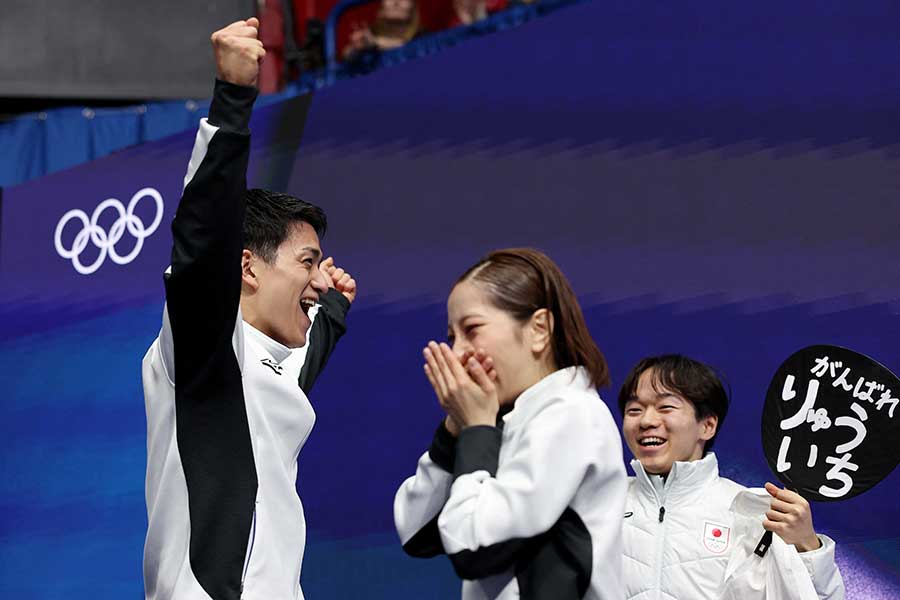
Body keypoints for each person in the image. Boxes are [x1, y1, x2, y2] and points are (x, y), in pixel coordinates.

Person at [141, 19, 356, 600]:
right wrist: (232, 99)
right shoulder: (207, 347)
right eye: (306, 262)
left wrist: (331, 306)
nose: (316, 279)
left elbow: (298, 367)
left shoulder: (267, 369)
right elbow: (203, 237)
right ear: (247, 267)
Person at [394, 248, 627, 599]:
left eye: (472, 329)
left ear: (539, 330)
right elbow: (417, 533)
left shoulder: (572, 414)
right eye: (452, 337)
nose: (458, 353)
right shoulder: (508, 419)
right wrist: (455, 430)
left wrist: (476, 431)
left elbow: (473, 547)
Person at [618, 355, 845, 600]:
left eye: (666, 407)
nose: (646, 421)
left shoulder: (752, 512)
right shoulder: (596, 505)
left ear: (707, 425)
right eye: (634, 410)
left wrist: (806, 546)